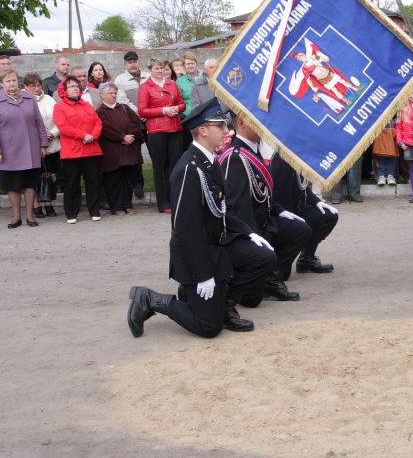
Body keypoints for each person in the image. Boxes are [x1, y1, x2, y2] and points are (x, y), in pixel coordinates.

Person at [127, 100, 276, 338]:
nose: (227, 131)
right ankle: (152, 299)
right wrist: (204, 275)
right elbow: (187, 229)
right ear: (203, 130)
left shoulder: (209, 160)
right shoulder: (189, 168)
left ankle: (224, 306)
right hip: (197, 255)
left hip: (218, 245)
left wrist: (249, 233)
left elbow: (223, 209)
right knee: (209, 327)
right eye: (221, 127)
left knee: (263, 258)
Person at [220, 114, 310, 302]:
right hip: (250, 228)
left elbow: (262, 194)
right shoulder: (236, 156)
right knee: (252, 300)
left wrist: (280, 210)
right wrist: (253, 238)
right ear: (242, 123)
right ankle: (251, 279)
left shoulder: (252, 150)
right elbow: (237, 206)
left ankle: (270, 278)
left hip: (265, 221)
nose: (264, 125)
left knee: (300, 230)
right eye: (257, 120)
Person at [0, 68, 48, 228]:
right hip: (8, 152)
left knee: (29, 183)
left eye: (14, 80)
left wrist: (43, 144)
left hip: (31, 149)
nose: (12, 83)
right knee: (12, 185)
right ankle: (16, 217)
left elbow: (39, 123)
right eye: (8, 81)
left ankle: (30, 216)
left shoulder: (29, 98)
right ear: (1, 83)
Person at [270, 152, 339, 274]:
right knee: (300, 229)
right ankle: (277, 267)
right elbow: (278, 194)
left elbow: (302, 187)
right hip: (282, 212)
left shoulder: (298, 155)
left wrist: (317, 202)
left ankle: (306, 259)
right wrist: (291, 218)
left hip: (297, 208)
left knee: (329, 216)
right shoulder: (282, 158)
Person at [138, 57, 186, 213]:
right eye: (157, 68)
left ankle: (178, 198)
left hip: (175, 128)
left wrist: (176, 109)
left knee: (176, 164)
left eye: (163, 68)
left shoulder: (172, 84)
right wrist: (164, 110)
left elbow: (182, 103)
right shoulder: (145, 87)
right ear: (150, 70)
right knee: (160, 166)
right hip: (157, 131)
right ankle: (164, 202)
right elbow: (142, 111)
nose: (160, 71)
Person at [54, 75, 103, 224]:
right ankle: (71, 213)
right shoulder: (59, 107)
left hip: (91, 149)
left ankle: (94, 210)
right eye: (72, 86)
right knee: (72, 184)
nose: (76, 88)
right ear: (64, 90)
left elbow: (98, 122)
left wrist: (93, 136)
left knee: (93, 182)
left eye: (77, 86)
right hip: (72, 152)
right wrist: (83, 135)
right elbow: (63, 127)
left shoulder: (87, 105)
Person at [96, 83, 143, 215]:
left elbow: (136, 122)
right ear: (102, 95)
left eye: (115, 93)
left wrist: (130, 135)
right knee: (113, 180)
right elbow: (106, 129)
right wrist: (122, 137)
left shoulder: (124, 107)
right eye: (110, 93)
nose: (114, 95)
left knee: (128, 178)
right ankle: (116, 207)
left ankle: (127, 205)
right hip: (112, 151)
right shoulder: (99, 112)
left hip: (129, 150)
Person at [113, 51, 149, 199]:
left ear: (138, 62)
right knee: (134, 155)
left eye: (134, 61)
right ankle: (137, 184)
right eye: (129, 62)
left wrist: (147, 113)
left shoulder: (148, 76)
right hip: (132, 122)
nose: (132, 64)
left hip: (151, 121)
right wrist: (140, 113)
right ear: (125, 64)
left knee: (156, 154)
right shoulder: (120, 80)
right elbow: (122, 100)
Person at [23, 73, 60, 218]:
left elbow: (59, 119)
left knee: (48, 175)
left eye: (38, 85)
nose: (36, 88)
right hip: (33, 146)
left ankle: (48, 203)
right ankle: (36, 205)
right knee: (34, 176)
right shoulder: (23, 101)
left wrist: (53, 133)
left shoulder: (50, 99)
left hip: (52, 143)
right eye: (32, 86)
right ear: (25, 87)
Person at [176, 52, 201, 119]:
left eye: (192, 63)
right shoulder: (179, 81)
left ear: (196, 64)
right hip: (188, 116)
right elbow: (179, 101)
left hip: (206, 113)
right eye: (188, 64)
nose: (190, 66)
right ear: (184, 66)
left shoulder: (204, 77)